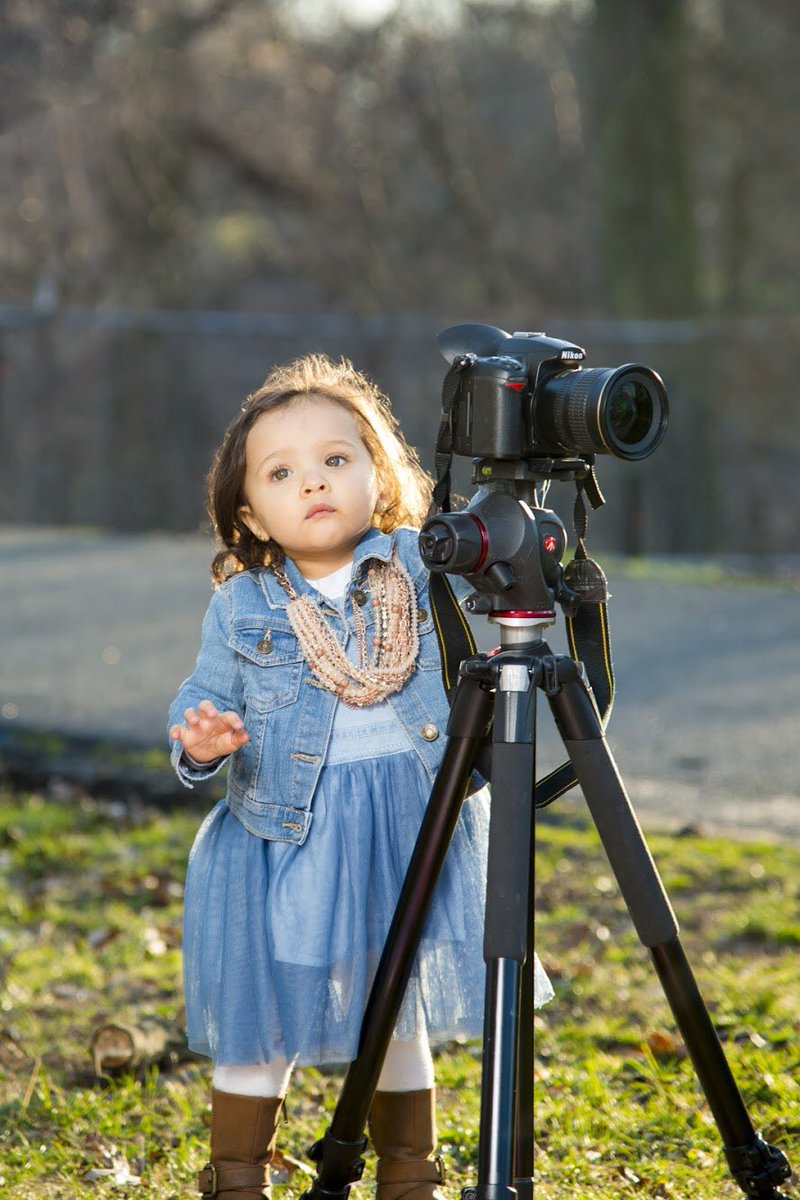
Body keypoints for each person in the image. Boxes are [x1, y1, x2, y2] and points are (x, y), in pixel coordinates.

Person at [168, 353, 554, 1200]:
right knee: (262, 1014)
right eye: (283, 472)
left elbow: (498, 597)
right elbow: (203, 696)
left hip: (406, 825)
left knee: (396, 1003)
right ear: (252, 515)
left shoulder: (418, 568)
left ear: (377, 476)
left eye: (336, 460)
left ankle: (408, 1172)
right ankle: (236, 1172)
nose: (313, 482)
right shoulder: (243, 607)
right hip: (288, 835)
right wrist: (201, 742)